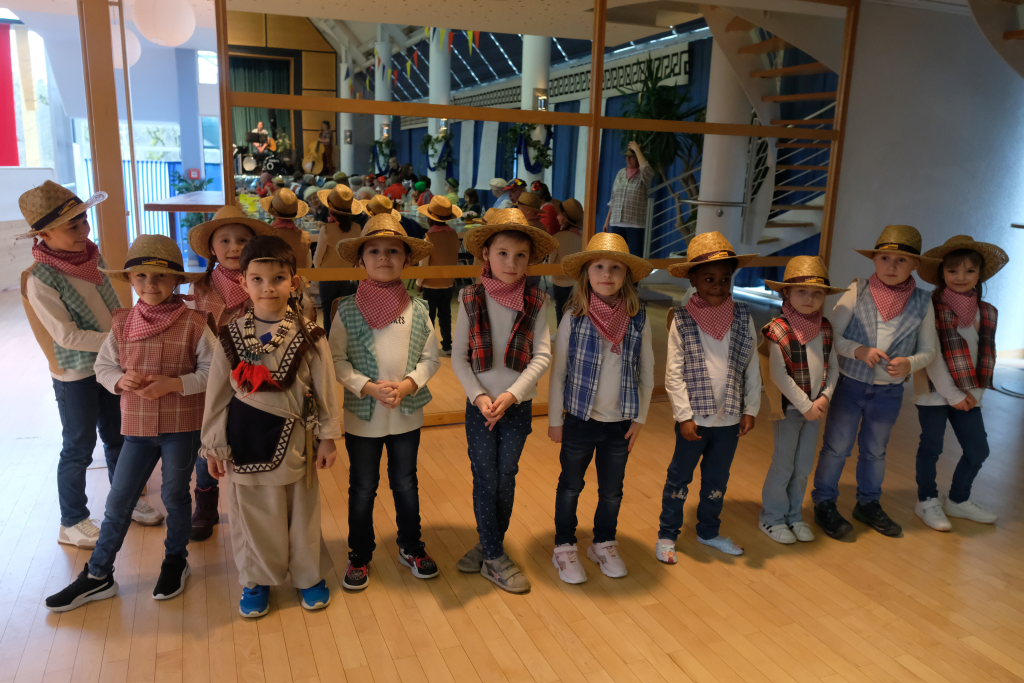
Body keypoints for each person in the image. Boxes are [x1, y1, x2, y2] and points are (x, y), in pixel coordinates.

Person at [45, 235, 214, 612]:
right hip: (136, 428)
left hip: (182, 426)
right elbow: (104, 367)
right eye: (141, 276)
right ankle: (98, 574)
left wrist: (176, 384)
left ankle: (176, 560)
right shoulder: (121, 323)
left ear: (177, 280)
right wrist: (120, 381)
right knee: (119, 499)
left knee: (174, 494)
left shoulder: (195, 323)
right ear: (131, 280)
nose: (150, 284)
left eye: (160, 276)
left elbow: (213, 370)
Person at [201, 235, 342, 618]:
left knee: (302, 513)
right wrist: (214, 445)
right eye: (257, 279)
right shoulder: (229, 336)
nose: (268, 288)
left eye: (278, 278)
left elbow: (326, 388)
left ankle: (308, 575)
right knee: (252, 515)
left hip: (297, 441)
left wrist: (328, 437)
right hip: (243, 442)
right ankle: (256, 579)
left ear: (293, 282)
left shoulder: (311, 334)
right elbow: (216, 396)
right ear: (243, 282)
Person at [18, 181, 160, 549]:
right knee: (78, 446)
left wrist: (126, 333)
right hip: (75, 374)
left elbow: (112, 305)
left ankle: (125, 500)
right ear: (45, 235)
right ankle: (72, 520)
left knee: (119, 436)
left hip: (109, 366)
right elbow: (66, 335)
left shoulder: (93, 258)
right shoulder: (39, 278)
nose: (84, 230)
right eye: (73, 226)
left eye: (84, 220)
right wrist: (121, 339)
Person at [330, 214, 441, 591]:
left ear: (406, 259)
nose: (383, 258)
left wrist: (408, 385)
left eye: (393, 251)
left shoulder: (419, 308)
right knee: (362, 487)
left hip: (407, 415)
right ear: (361, 259)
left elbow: (431, 358)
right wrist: (367, 387)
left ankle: (411, 545)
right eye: (374, 251)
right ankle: (359, 553)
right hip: (364, 417)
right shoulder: (346, 309)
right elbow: (336, 360)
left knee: (406, 483)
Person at [452, 209, 558, 593]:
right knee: (485, 477)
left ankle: (488, 544)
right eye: (502, 253)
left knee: (505, 476)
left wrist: (512, 395)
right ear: (486, 255)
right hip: (479, 407)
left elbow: (542, 356)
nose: (511, 263)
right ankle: (495, 556)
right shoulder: (469, 297)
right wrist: (480, 397)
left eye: (520, 255)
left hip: (517, 406)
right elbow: (459, 358)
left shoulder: (539, 301)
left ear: (530, 260)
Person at [811, 225, 939, 540]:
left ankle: (868, 503)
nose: (891, 266)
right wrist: (858, 350)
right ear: (874, 260)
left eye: (901, 260)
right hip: (851, 384)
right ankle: (824, 501)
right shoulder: (858, 290)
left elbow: (929, 350)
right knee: (836, 447)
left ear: (915, 265)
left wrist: (910, 363)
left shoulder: (923, 302)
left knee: (875, 450)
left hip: (888, 392)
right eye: (884, 258)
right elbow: (831, 333)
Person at [547, 233, 654, 584]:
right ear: (587, 273)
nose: (606, 274)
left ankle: (604, 542)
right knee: (570, 485)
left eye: (615, 268)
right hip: (580, 420)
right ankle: (564, 545)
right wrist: (555, 419)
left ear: (626, 275)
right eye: (599, 267)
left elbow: (647, 370)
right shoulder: (574, 316)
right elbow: (559, 371)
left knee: (612, 490)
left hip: (620, 423)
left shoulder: (637, 318)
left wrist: (640, 418)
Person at [657, 232, 761, 561]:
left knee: (717, 478)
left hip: (729, 419)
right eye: (709, 278)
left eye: (724, 279)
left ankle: (709, 531)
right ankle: (668, 534)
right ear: (693, 279)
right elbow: (674, 372)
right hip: (695, 421)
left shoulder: (742, 316)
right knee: (680, 477)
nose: (717, 285)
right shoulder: (682, 319)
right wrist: (684, 416)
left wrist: (750, 408)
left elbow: (751, 365)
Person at [187, 205, 274, 540]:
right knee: (208, 438)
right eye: (224, 240)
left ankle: (256, 504)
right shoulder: (201, 287)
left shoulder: (264, 282)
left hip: (257, 375)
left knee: (253, 437)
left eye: (242, 240)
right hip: (212, 375)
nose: (234, 247)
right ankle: (206, 502)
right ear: (212, 248)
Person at [913, 236, 1008, 530]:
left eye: (969, 271)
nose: (961, 277)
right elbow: (932, 355)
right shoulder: (930, 306)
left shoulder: (987, 311)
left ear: (980, 275)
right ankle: (927, 500)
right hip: (934, 391)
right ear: (942, 273)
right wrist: (953, 395)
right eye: (952, 270)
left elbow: (986, 355)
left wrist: (975, 394)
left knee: (978, 450)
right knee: (932, 446)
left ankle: (958, 500)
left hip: (969, 394)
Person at [758, 256, 845, 545]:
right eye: (802, 291)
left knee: (803, 466)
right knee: (784, 465)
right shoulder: (778, 329)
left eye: (817, 293)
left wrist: (824, 397)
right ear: (787, 293)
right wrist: (806, 406)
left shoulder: (825, 327)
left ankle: (794, 515)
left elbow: (833, 367)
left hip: (815, 410)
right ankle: (772, 517)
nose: (809, 299)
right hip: (790, 411)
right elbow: (779, 375)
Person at [314, 185, 365, 335]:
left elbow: (317, 259)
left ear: (331, 210)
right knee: (346, 314)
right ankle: (345, 342)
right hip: (349, 277)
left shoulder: (326, 229)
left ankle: (329, 342)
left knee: (328, 313)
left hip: (327, 277)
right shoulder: (357, 228)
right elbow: (358, 255)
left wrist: (319, 271)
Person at [418, 196, 463, 357]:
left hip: (431, 282)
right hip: (448, 281)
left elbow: (424, 264)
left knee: (429, 316)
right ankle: (447, 345)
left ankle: (429, 346)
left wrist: (419, 282)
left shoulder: (429, 237)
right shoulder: (454, 234)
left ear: (430, 218)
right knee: (445, 315)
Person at [603, 141, 655, 257]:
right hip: (616, 222)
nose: (628, 159)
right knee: (616, 256)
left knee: (635, 257)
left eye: (631, 157)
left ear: (638, 157)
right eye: (627, 157)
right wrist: (607, 221)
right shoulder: (621, 173)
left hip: (635, 224)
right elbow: (614, 198)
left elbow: (646, 168)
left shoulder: (643, 175)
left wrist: (637, 149)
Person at [550, 198, 584, 325]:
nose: (557, 217)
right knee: (574, 309)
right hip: (577, 281)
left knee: (560, 308)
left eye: (559, 214)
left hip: (559, 281)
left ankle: (561, 332)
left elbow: (550, 261)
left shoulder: (557, 237)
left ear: (564, 217)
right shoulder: (584, 236)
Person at [261, 188, 312, 269]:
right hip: (299, 276)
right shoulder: (304, 237)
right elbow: (308, 264)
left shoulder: (266, 236)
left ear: (273, 212)